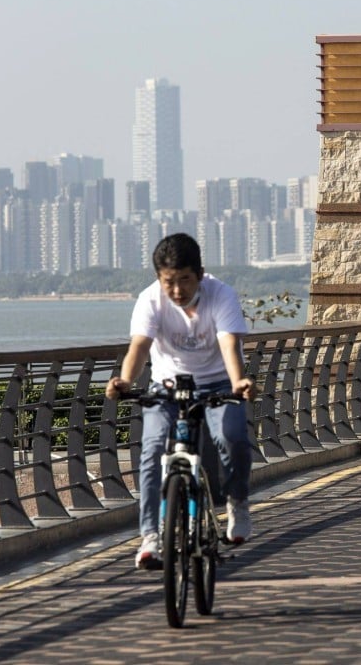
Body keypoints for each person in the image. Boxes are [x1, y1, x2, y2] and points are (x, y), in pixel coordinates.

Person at [105, 233, 257, 570]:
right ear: (159, 278)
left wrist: (238, 383)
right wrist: (125, 381)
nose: (177, 291)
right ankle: (150, 538)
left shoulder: (221, 295)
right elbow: (140, 348)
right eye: (168, 282)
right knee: (153, 449)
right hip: (167, 388)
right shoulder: (150, 300)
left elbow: (229, 344)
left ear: (200, 274)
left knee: (232, 438)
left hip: (218, 382)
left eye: (185, 280)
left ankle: (237, 502)